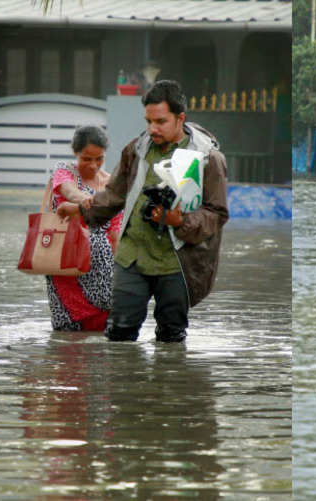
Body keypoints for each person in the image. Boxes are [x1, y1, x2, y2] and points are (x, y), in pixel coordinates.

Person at [57, 79, 228, 342]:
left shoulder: (208, 158)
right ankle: (125, 382)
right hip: (132, 256)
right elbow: (114, 195)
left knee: (171, 336)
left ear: (180, 118)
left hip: (178, 261)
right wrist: (81, 209)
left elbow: (217, 213)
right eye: (148, 121)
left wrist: (179, 220)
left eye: (160, 122)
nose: (152, 129)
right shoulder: (137, 149)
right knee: (119, 333)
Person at [46, 125, 122, 331]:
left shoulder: (111, 182)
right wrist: (85, 201)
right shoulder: (65, 170)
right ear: (75, 153)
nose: (93, 165)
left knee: (105, 326)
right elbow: (68, 190)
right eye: (86, 159)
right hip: (67, 263)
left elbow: (115, 231)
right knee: (69, 329)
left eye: (99, 159)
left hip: (103, 268)